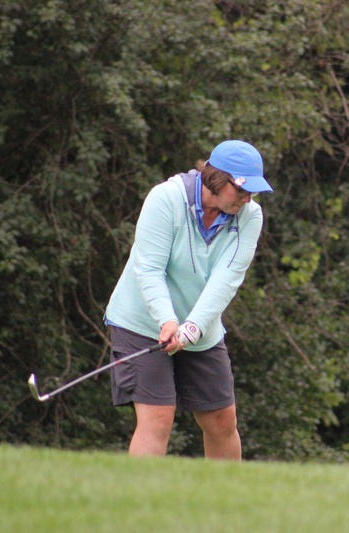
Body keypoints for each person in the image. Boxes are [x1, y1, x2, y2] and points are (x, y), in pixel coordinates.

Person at [104, 140, 273, 460]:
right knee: (157, 417)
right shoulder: (166, 198)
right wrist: (167, 321)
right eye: (241, 190)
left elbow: (226, 279)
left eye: (252, 192)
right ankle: (139, 493)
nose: (247, 198)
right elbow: (149, 268)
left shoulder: (250, 216)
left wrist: (191, 328)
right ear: (217, 179)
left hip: (200, 329)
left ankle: (227, 493)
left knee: (221, 420)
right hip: (141, 322)